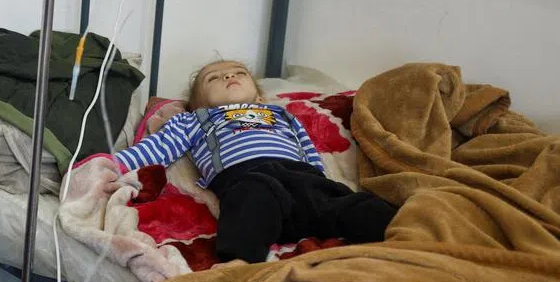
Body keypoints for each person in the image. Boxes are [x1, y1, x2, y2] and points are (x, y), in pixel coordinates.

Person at [111, 60, 398, 263]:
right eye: (214, 78)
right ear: (198, 103)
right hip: (248, 176)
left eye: (239, 73)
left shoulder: (281, 115)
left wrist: (321, 180)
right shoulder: (196, 119)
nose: (228, 77)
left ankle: (404, 239)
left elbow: (306, 149)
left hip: (304, 178)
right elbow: (159, 147)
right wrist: (111, 165)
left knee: (357, 205)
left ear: (259, 96)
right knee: (250, 201)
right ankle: (240, 264)